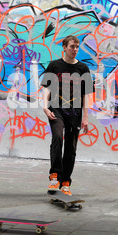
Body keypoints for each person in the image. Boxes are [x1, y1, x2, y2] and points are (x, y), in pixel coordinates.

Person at [41, 35, 93, 196]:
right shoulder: (54, 65)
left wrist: (85, 117)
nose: (75, 50)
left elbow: (87, 95)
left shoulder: (83, 68)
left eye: (77, 47)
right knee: (57, 137)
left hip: (75, 112)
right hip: (56, 108)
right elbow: (46, 88)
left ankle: (65, 181)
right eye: (72, 46)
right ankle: (54, 176)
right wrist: (44, 106)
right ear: (64, 47)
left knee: (71, 146)